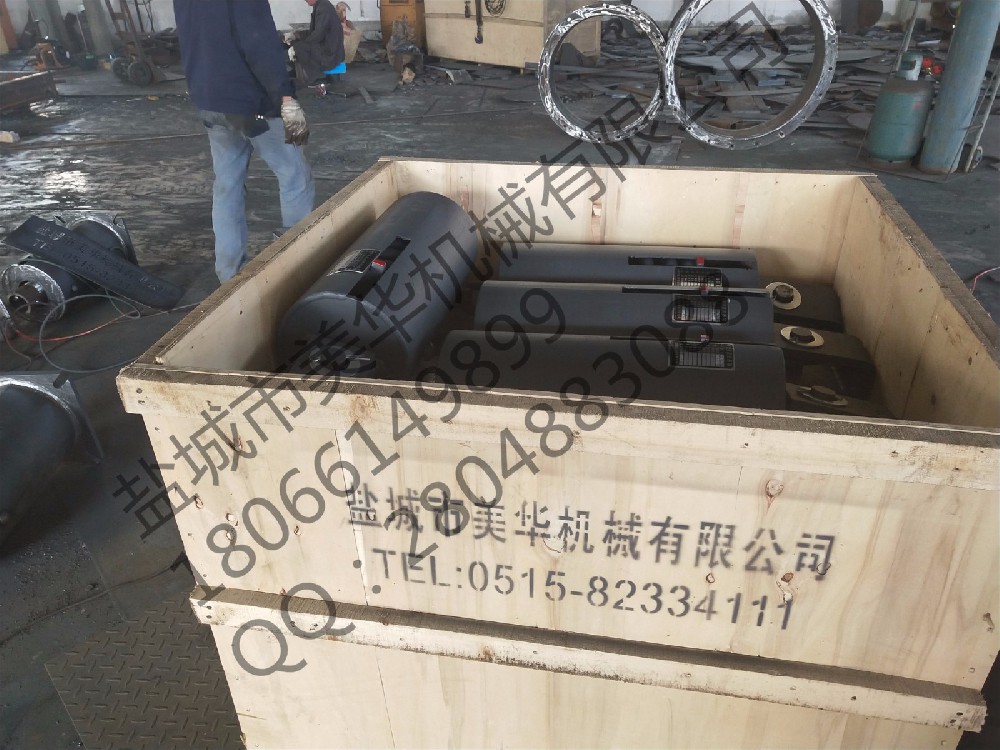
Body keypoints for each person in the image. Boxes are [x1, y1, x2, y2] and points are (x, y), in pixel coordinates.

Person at [173, 0, 315, 284]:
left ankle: (229, 274)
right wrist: (285, 97)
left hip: (209, 101)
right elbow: (259, 44)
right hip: (252, 104)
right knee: (294, 176)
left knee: (227, 186)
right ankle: (297, 268)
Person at [292, 0, 345, 91]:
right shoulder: (320, 6)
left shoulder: (323, 8)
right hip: (328, 47)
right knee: (296, 43)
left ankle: (315, 78)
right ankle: (303, 74)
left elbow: (318, 34)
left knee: (299, 48)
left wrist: (301, 44)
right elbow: (315, 31)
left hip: (330, 52)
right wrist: (297, 35)